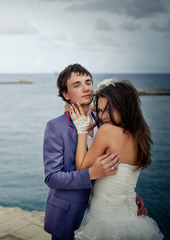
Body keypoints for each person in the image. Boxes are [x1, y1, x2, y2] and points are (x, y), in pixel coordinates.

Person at [43, 64, 147, 240]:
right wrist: (91, 173)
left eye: (88, 82)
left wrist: (128, 194)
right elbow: (51, 177)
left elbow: (113, 167)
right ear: (66, 94)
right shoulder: (56, 127)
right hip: (69, 215)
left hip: (103, 214)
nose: (86, 88)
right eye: (77, 84)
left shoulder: (105, 122)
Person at [71, 78, 163, 239]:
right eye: (100, 110)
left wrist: (82, 129)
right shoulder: (140, 137)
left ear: (124, 107)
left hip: (104, 220)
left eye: (108, 110)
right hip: (132, 218)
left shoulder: (107, 131)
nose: (103, 116)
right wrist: (94, 105)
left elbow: (81, 167)